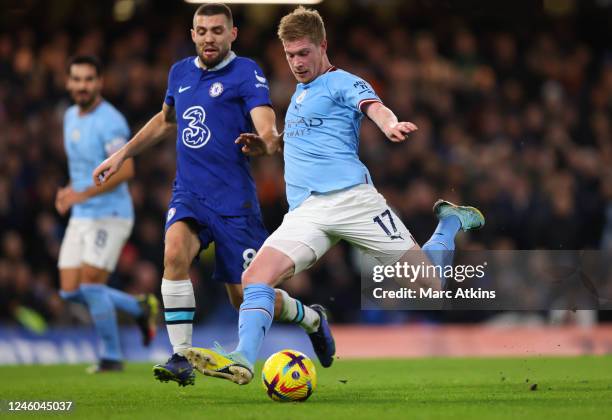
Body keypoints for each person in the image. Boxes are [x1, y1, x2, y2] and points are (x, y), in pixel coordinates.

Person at [186, 6, 485, 385]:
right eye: (289, 55)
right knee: (254, 278)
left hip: (353, 201)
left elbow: (373, 107)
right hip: (307, 212)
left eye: (303, 53)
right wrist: (269, 147)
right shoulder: (298, 95)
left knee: (430, 285)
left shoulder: (343, 81)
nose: (296, 62)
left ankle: (449, 222)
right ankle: (243, 358)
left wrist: (389, 123)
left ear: (322, 45)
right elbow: (305, 143)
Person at [92, 3, 335, 387]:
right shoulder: (180, 73)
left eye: (217, 31)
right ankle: (179, 356)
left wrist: (268, 143)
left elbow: (267, 123)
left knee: (247, 297)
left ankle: (311, 318)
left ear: (231, 34)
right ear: (193, 35)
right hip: (189, 193)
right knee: (174, 252)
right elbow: (165, 120)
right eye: (202, 31)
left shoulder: (245, 72)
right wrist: (121, 154)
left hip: (234, 203)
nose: (209, 37)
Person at [57, 55, 158, 373]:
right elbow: (83, 169)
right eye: (77, 79)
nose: (82, 86)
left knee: (90, 286)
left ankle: (111, 357)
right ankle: (138, 308)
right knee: (69, 290)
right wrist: (68, 191)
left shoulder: (110, 120)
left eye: (89, 79)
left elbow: (126, 168)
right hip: (82, 213)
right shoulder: (70, 116)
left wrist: (80, 194)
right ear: (68, 82)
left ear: (99, 82)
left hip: (111, 214)